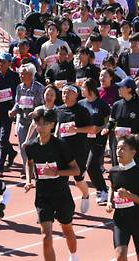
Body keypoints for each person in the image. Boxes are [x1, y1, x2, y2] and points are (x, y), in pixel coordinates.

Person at [24, 108, 81, 261]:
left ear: (52, 125)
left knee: (67, 230)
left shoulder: (61, 146)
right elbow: (29, 164)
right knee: (46, 236)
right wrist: (28, 180)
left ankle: (74, 256)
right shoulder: (30, 146)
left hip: (61, 194)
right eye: (37, 123)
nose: (40, 127)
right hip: (42, 196)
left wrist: (57, 173)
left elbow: (76, 170)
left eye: (43, 124)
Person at [106, 135, 139, 261]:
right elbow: (112, 186)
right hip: (120, 222)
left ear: (133, 152)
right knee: (120, 255)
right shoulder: (113, 171)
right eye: (117, 148)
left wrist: (129, 196)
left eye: (122, 149)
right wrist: (109, 202)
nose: (118, 151)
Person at [56, 84, 95, 213]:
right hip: (62, 152)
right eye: (63, 93)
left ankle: (85, 195)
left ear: (76, 95)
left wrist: (76, 130)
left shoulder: (81, 111)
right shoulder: (59, 110)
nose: (65, 95)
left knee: (78, 180)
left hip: (78, 151)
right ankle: (65, 206)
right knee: (61, 181)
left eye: (68, 93)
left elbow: (91, 129)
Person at [79, 78, 111, 205]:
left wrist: (101, 128)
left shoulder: (102, 105)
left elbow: (110, 122)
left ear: (91, 90)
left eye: (83, 87)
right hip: (84, 141)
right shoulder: (80, 104)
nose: (81, 89)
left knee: (91, 165)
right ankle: (102, 190)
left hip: (99, 140)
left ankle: (102, 190)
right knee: (91, 167)